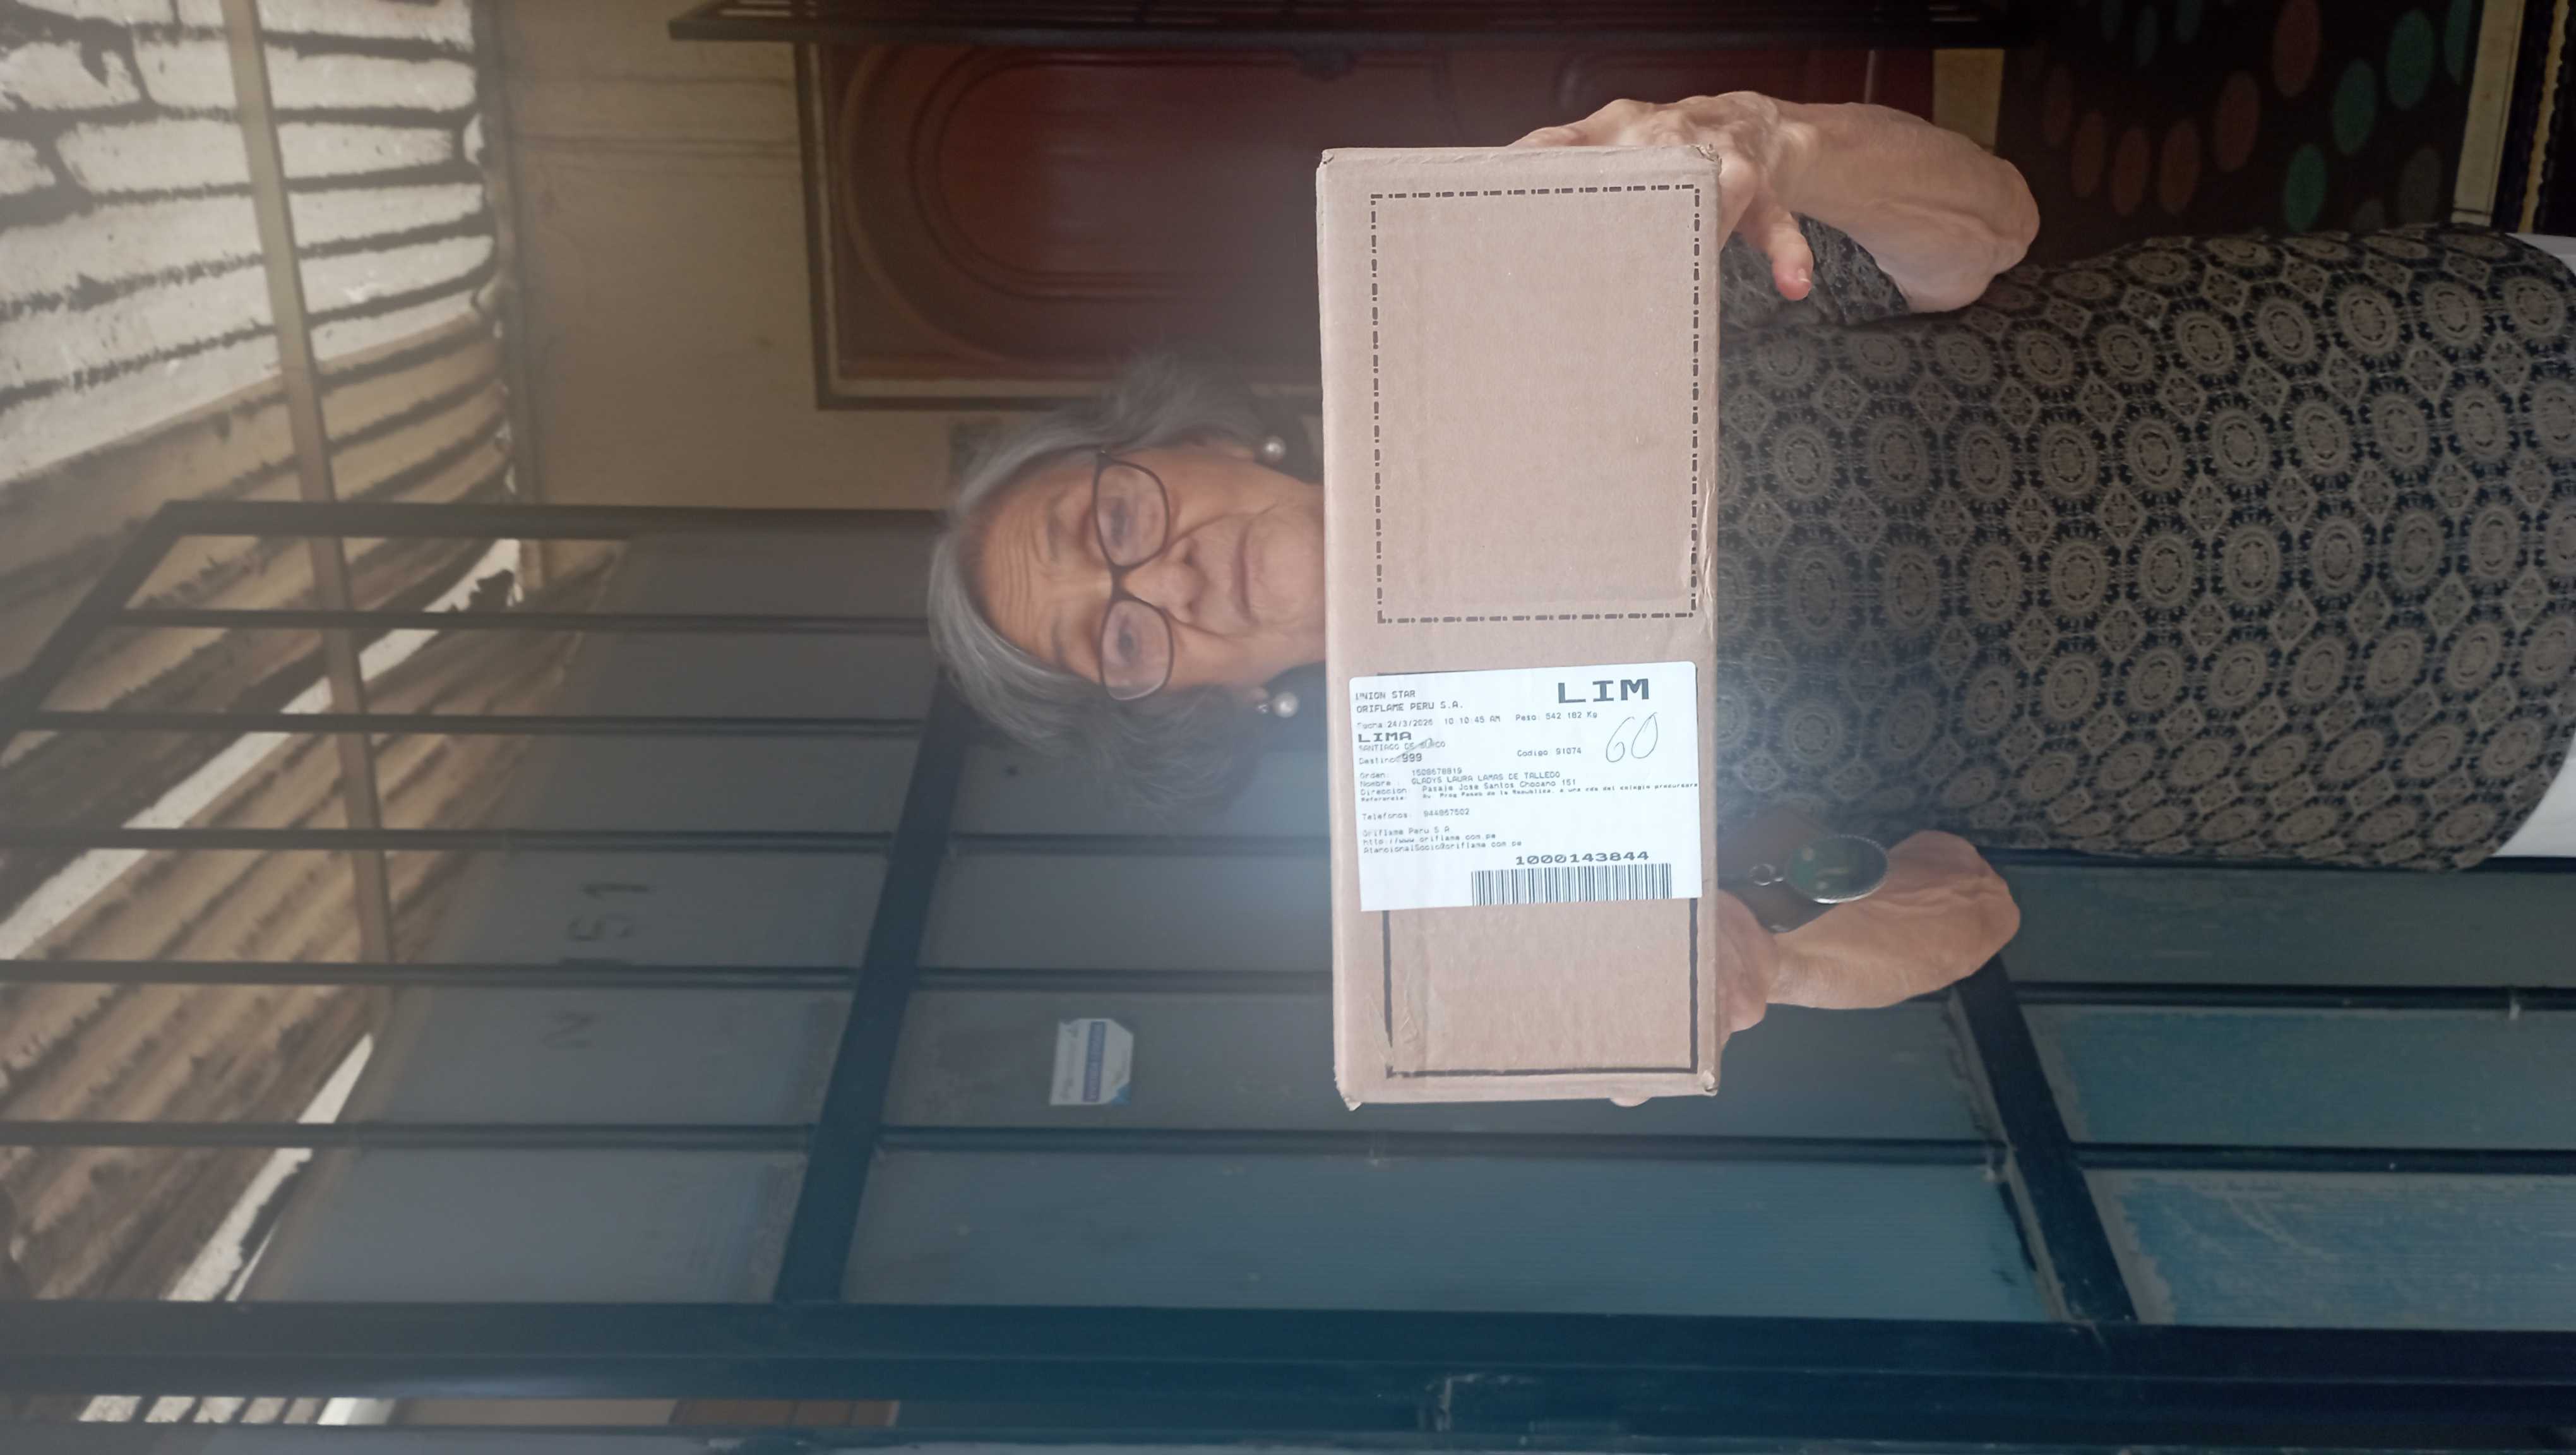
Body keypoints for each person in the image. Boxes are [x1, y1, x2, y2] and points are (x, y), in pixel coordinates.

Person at [926, 93, 2576, 1028]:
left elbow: (1989, 228)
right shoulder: (1476, 834)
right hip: (2428, 733)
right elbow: (1968, 906)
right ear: (1195, 702)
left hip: (2438, 389)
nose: (1164, 585)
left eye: (1111, 525)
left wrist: (1781, 151)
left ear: (1189, 438)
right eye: (1119, 641)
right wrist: (1770, 961)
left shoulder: (1486, 308)